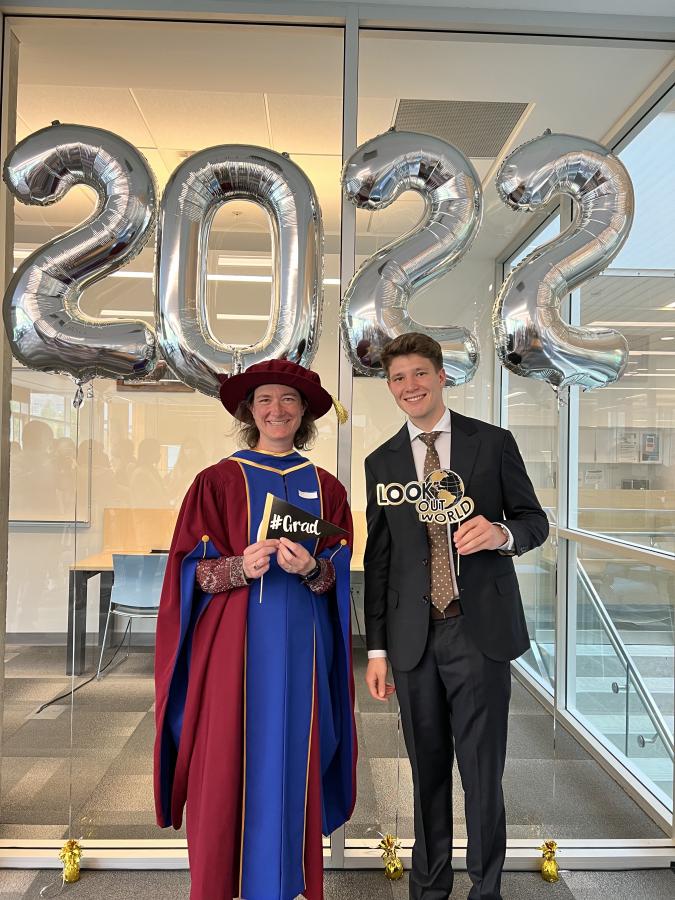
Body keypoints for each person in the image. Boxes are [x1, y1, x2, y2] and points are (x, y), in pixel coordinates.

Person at [154, 359, 356, 900]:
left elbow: (337, 569)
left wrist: (311, 568)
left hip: (302, 649)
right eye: (266, 400)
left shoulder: (326, 487)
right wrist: (238, 567)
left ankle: (282, 881)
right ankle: (222, 882)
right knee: (226, 760)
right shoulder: (216, 482)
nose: (277, 410)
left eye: (289, 401)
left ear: (304, 413)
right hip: (233, 650)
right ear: (249, 410)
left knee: (294, 755)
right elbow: (186, 571)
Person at [363, 333, 548, 900]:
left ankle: (485, 889)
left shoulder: (491, 444)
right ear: (390, 387)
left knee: (482, 771)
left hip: (479, 631)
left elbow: (534, 521)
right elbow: (379, 562)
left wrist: (501, 534)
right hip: (414, 639)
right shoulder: (383, 462)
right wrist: (376, 650)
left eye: (419, 374)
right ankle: (429, 886)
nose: (409, 387)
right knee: (428, 773)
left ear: (442, 377)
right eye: (398, 378)